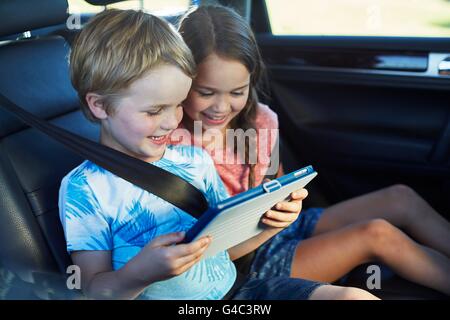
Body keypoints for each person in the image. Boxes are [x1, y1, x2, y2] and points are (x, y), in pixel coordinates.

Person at [59, 9, 378, 300]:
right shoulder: (84, 190)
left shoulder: (195, 161)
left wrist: (273, 226)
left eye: (177, 105)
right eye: (155, 110)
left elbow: (222, 252)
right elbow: (92, 290)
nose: (171, 121)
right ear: (99, 105)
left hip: (242, 290)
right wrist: (138, 274)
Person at [175, 5, 450, 295]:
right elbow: (205, 250)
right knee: (377, 234)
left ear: (251, 81)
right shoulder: (173, 143)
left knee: (400, 198)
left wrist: (284, 197)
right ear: (181, 79)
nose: (221, 107)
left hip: (279, 227)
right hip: (245, 258)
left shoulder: (260, 119)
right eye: (206, 93)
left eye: (237, 92)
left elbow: (274, 180)